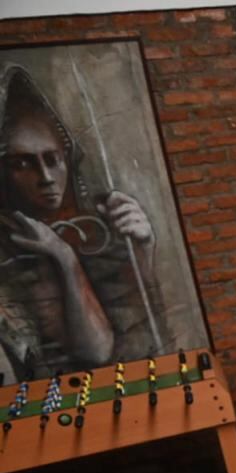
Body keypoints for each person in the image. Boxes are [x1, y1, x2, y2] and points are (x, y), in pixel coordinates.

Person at [0, 62, 158, 379]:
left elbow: (142, 322)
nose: (45, 177)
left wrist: (143, 249)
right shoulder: (13, 243)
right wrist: (62, 256)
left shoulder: (101, 218)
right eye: (23, 163)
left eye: (53, 159)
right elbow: (95, 350)